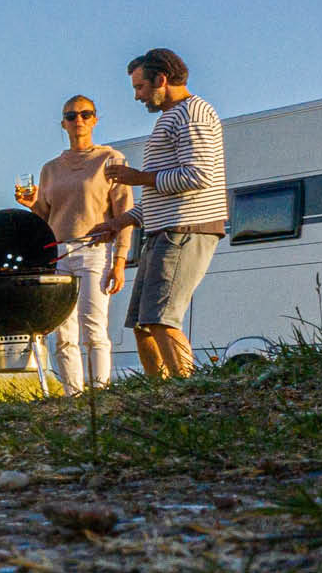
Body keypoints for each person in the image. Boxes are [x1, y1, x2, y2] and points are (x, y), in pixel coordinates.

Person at [85, 49, 226, 378]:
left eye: (140, 87)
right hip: (163, 230)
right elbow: (158, 193)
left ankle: (185, 392)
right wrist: (119, 222)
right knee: (142, 324)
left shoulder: (193, 113)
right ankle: (159, 393)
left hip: (185, 229)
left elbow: (198, 175)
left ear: (161, 79)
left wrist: (140, 177)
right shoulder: (171, 118)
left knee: (161, 318)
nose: (137, 96)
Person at [14, 95, 134, 394]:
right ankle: (73, 394)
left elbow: (125, 213)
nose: (78, 120)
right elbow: (46, 215)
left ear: (95, 119)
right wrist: (31, 205)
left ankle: (99, 393)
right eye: (71, 116)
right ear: (63, 124)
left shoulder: (111, 159)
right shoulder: (50, 168)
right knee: (62, 331)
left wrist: (120, 261)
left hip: (94, 250)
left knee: (94, 326)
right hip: (59, 253)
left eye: (85, 114)